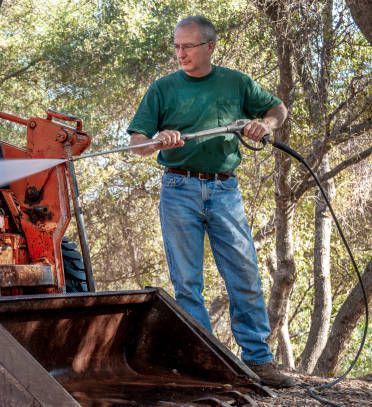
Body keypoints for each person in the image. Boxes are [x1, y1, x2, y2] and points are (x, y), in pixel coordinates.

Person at [127, 15, 298, 388]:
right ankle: (206, 364)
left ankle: (259, 360)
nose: (180, 53)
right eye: (176, 46)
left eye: (187, 46)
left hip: (224, 190)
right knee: (187, 282)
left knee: (244, 274)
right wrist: (158, 140)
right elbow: (136, 142)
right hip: (178, 189)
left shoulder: (236, 83)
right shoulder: (162, 89)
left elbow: (277, 109)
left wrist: (264, 125)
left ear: (209, 47)